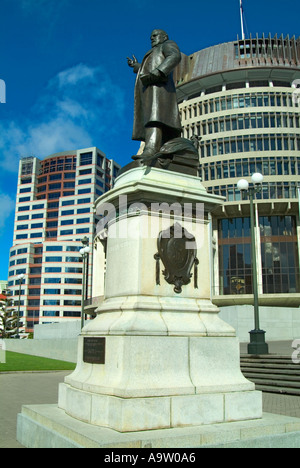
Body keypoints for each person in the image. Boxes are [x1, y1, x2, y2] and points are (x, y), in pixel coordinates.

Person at [127, 29, 182, 161]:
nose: (152, 38)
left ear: (164, 37)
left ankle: (151, 148)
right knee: (150, 117)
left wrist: (157, 73)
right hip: (150, 90)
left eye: (155, 36)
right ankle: (156, 147)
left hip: (160, 89)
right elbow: (150, 67)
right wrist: (137, 66)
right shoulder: (153, 52)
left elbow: (175, 56)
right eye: (151, 37)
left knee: (155, 117)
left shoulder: (167, 44)